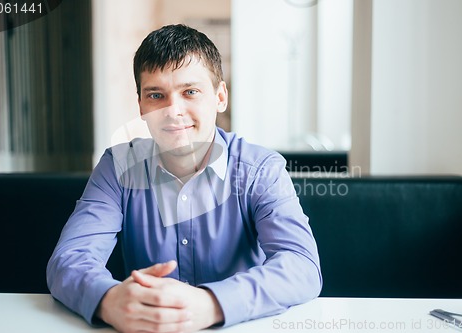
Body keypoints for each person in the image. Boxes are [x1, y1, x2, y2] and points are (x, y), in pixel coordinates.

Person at [47, 24, 322, 333]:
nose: (173, 111)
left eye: (190, 92)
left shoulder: (261, 169)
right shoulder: (118, 166)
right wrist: (109, 300)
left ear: (220, 97)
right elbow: (69, 260)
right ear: (141, 105)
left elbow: (301, 267)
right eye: (156, 95)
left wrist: (211, 303)